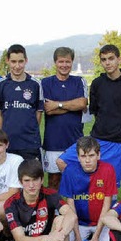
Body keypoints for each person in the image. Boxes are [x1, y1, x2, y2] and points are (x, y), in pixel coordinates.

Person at [57, 44, 121, 189]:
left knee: (109, 189)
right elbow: (96, 111)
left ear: (119, 59)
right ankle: (85, 186)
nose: (107, 63)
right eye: (104, 59)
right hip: (96, 140)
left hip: (118, 144)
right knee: (62, 161)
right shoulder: (97, 83)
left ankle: (105, 210)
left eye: (111, 58)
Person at [59, 136, 117, 241]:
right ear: (78, 157)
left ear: (99, 155)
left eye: (91, 155)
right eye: (83, 156)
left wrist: (96, 236)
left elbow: (106, 206)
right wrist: (78, 236)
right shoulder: (70, 171)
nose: (87, 160)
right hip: (79, 223)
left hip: (102, 222)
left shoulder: (108, 170)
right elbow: (71, 206)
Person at [41, 47, 89, 190]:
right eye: (61, 61)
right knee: (54, 183)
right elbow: (48, 110)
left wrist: (58, 104)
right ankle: (53, 211)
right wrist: (71, 106)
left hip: (75, 141)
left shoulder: (79, 81)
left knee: (76, 181)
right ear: (55, 62)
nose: (64, 65)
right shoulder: (45, 83)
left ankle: (76, 211)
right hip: (53, 142)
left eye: (67, 62)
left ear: (72, 62)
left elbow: (82, 104)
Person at [0, 44, 44, 160]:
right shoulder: (0, 85)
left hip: (30, 144)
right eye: (13, 61)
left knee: (31, 177)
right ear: (7, 61)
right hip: (8, 144)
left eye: (20, 61)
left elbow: (38, 113)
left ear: (26, 61)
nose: (17, 66)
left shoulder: (35, 84)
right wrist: (6, 133)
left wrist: (29, 131)